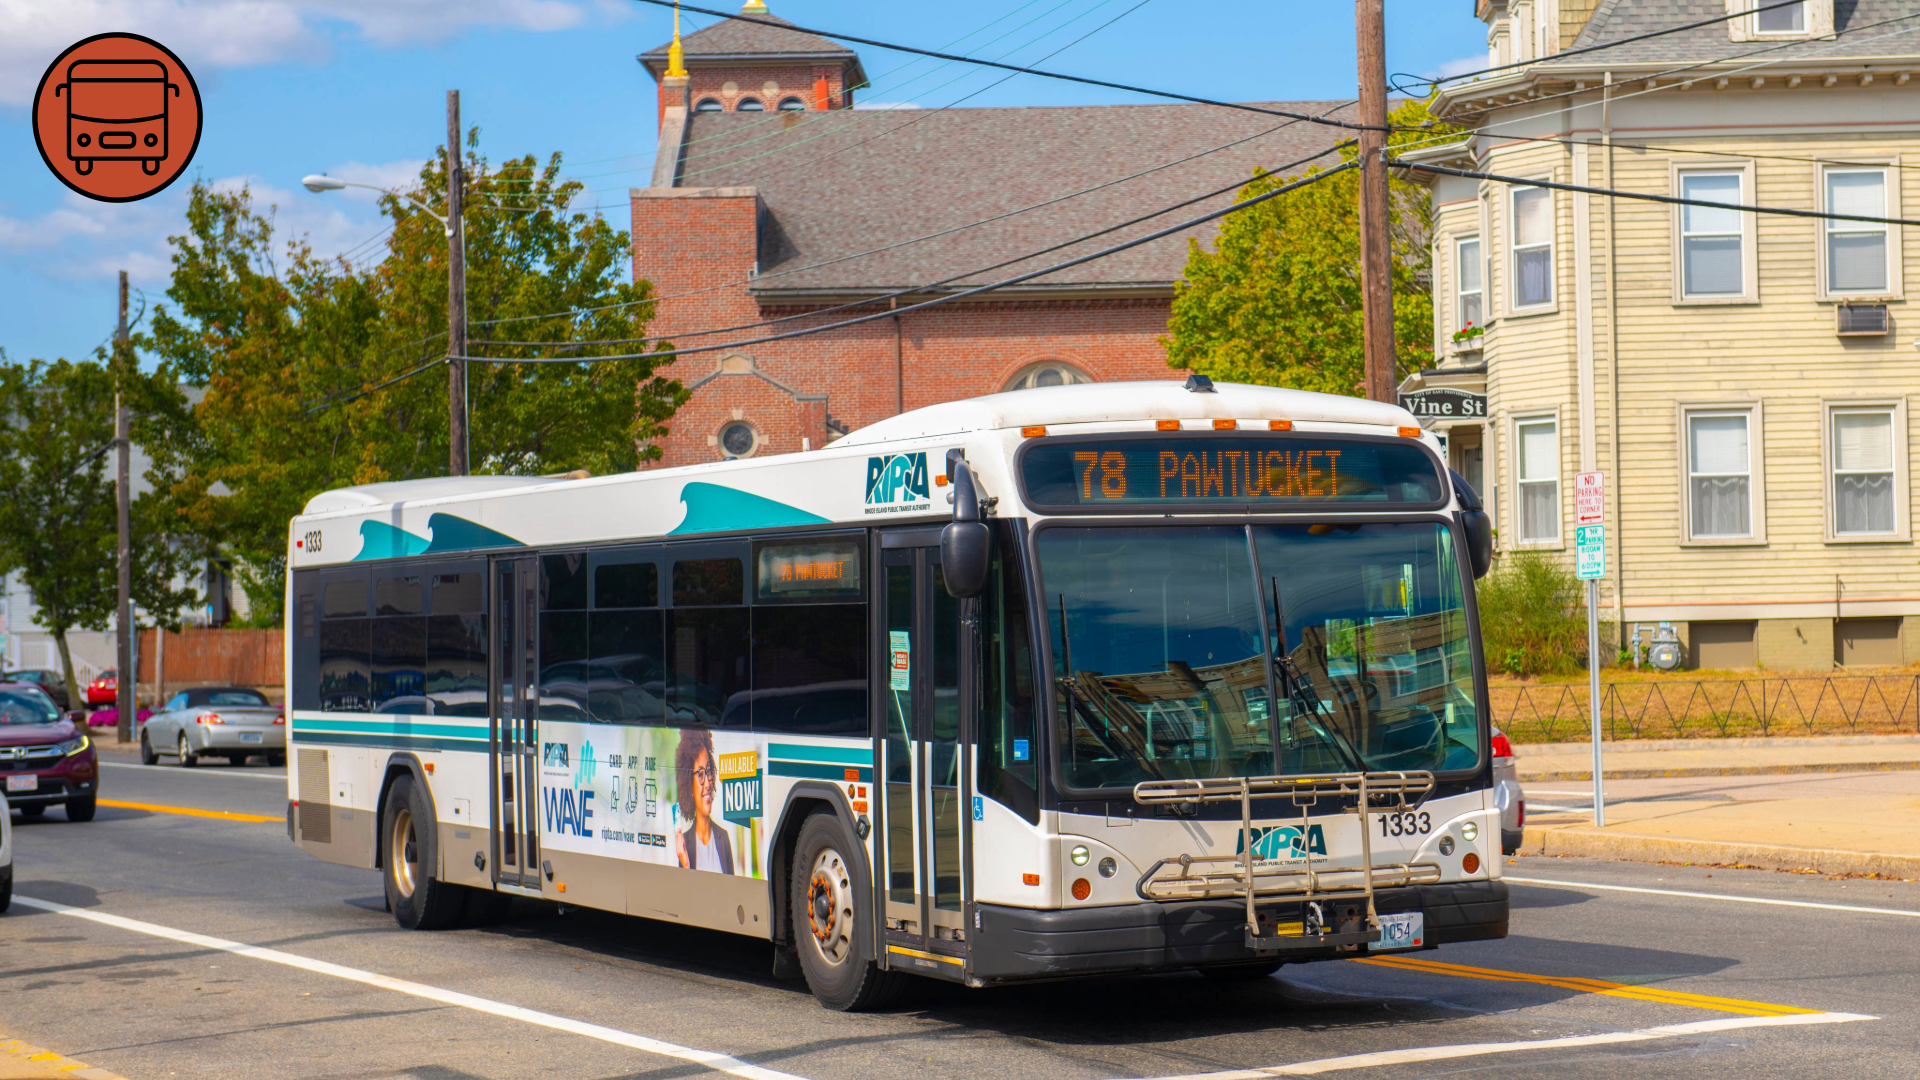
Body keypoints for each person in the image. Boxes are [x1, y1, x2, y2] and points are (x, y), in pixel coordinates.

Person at [672, 728, 734, 874]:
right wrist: (685, 865)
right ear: (689, 785)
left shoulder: (723, 837)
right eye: (700, 775)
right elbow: (684, 895)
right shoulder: (685, 844)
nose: (707, 783)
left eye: (708, 771)